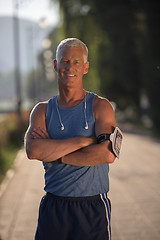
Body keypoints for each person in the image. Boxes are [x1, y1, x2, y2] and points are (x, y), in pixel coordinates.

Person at [25, 38, 121, 240]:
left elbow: (107, 153)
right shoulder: (42, 111)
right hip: (53, 206)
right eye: (65, 61)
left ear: (85, 67)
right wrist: (82, 141)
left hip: (92, 206)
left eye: (77, 62)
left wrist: (55, 155)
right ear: (55, 65)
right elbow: (33, 151)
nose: (70, 67)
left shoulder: (100, 107)